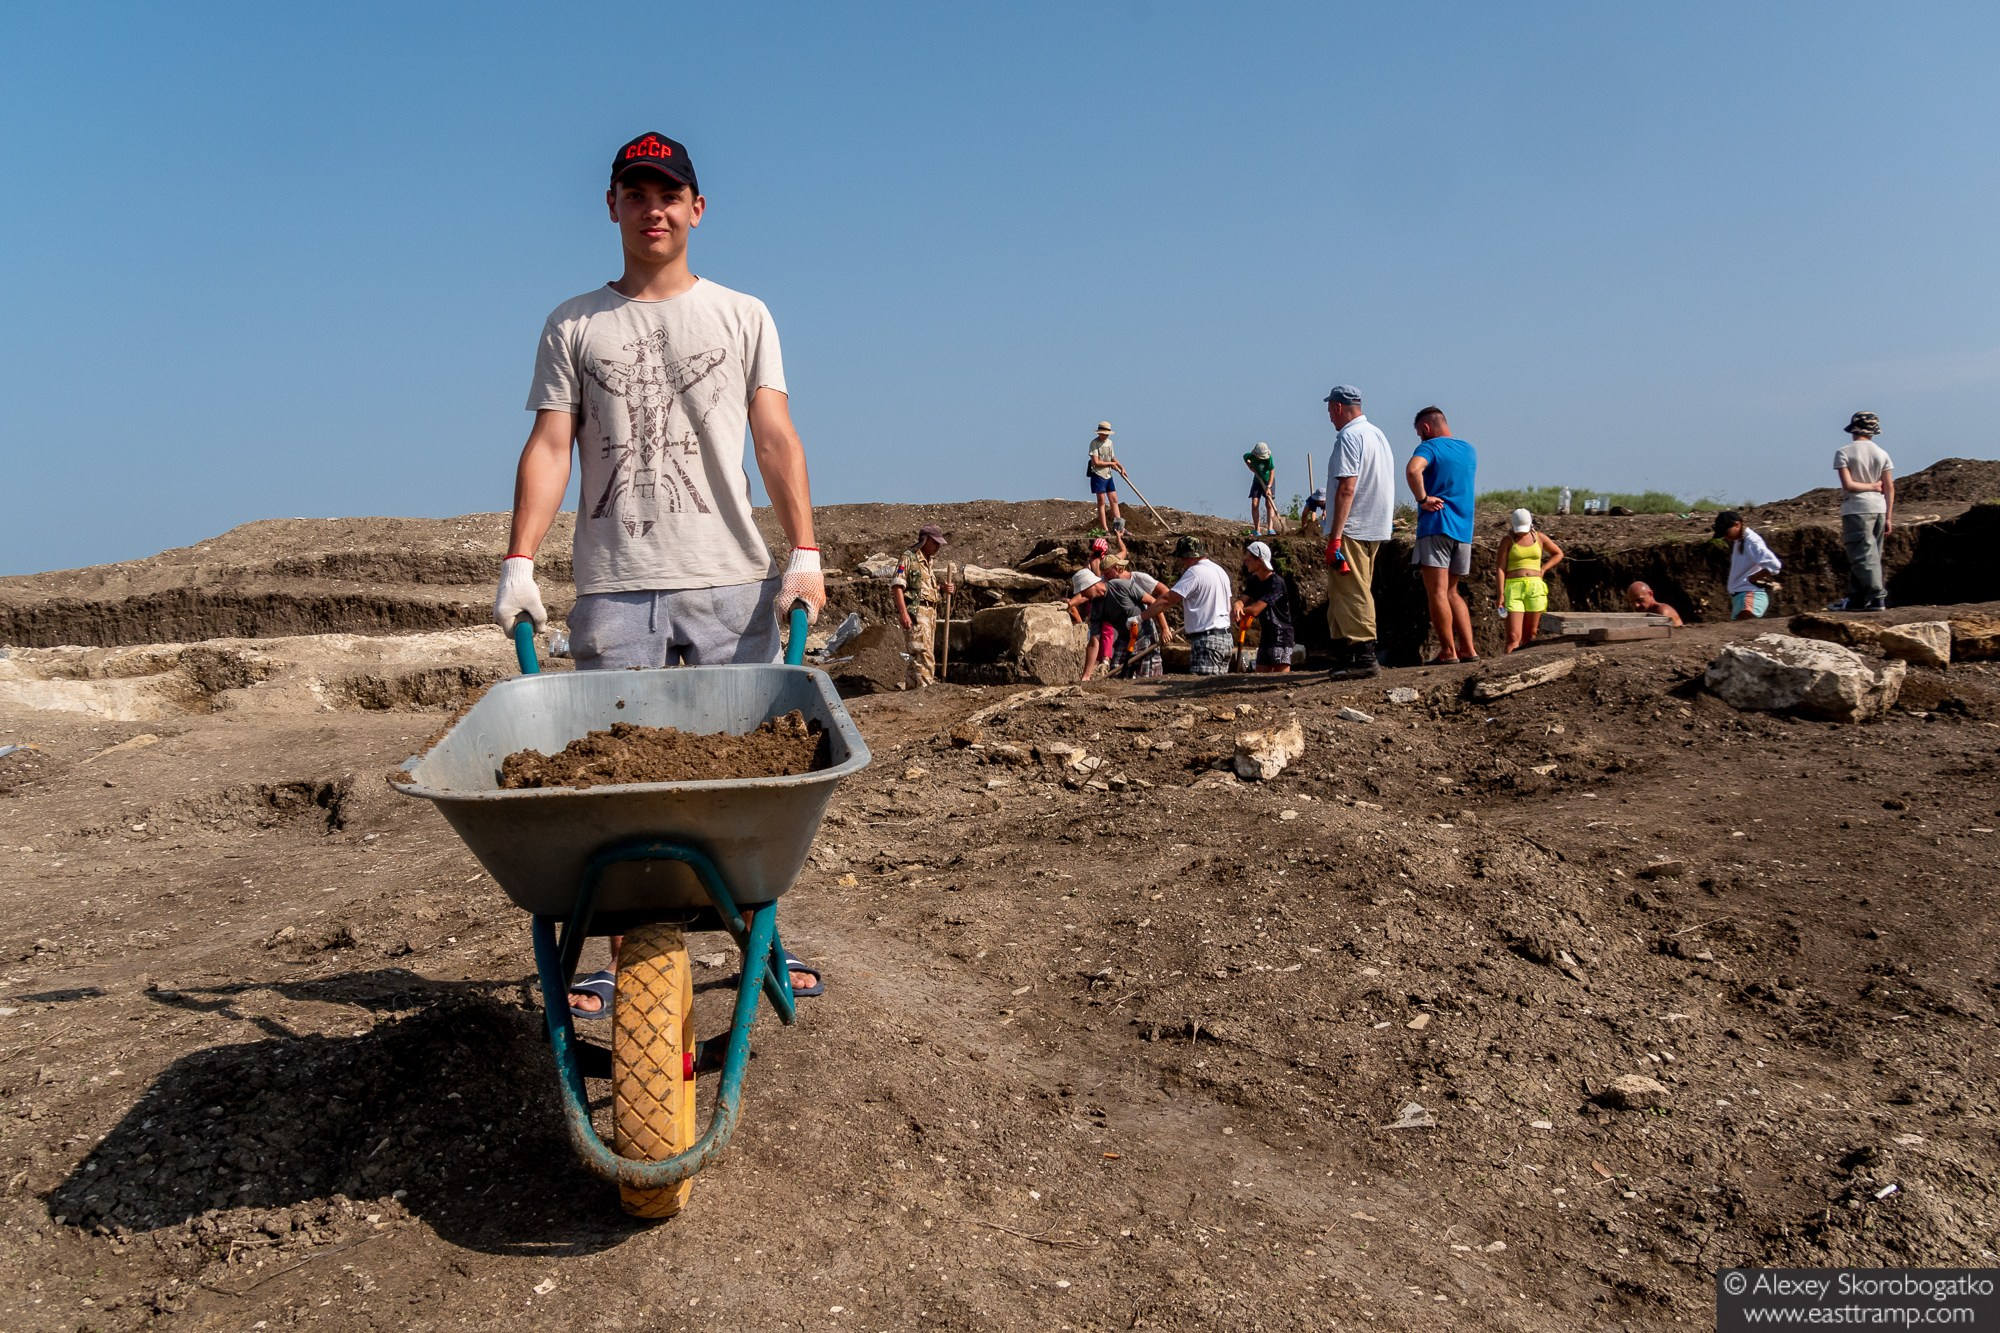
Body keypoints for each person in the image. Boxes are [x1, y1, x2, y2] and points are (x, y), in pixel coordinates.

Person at [497, 131, 827, 1016]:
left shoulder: (743, 314)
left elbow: (774, 436)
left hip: (729, 579)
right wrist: (519, 561)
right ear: (611, 206)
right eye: (636, 193)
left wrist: (804, 548)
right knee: (612, 785)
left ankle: (762, 936)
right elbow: (551, 444)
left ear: (696, 208)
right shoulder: (575, 323)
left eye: (669, 193)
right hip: (614, 586)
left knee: (746, 787)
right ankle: (610, 955)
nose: (654, 209)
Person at [1321, 384, 1395, 678]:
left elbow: (1347, 487)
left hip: (1353, 526)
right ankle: (1347, 654)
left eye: (1330, 411)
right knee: (1345, 592)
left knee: (1352, 591)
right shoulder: (1377, 435)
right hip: (1373, 525)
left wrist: (1336, 535)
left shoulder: (1349, 437)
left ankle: (1364, 657)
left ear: (1338, 407)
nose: (1329, 417)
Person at [1405, 406, 1479, 663]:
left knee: (1436, 592)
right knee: (1452, 592)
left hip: (1436, 525)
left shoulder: (1430, 447)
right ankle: (1468, 649)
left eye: (1419, 433)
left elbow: (1413, 470)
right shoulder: (1469, 449)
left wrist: (1423, 498)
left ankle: (1448, 651)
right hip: (1463, 529)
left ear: (1425, 428)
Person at [1830, 411, 1895, 611]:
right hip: (1879, 508)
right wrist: (1889, 517)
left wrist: (1870, 487)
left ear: (1853, 430)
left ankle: (1877, 597)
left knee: (1861, 555)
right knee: (1872, 554)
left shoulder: (1844, 452)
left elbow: (1849, 485)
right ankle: (1857, 598)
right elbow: (1889, 487)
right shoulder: (1882, 453)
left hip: (1856, 508)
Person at [1144, 536, 1234, 675]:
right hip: (1225, 638)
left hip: (1207, 641)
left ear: (1188, 556)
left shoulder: (1194, 572)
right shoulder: (1220, 571)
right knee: (1216, 687)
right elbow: (1228, 606)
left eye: (1181, 557)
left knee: (1202, 688)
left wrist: (1141, 617)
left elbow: (1168, 599)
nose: (1181, 561)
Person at [1494, 509, 1564, 653]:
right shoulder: (1507, 540)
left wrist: (1543, 569)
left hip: (1535, 588)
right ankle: (1505, 667)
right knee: (1513, 636)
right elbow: (1500, 568)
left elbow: (1558, 554)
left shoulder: (1539, 537)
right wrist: (1500, 593)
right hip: (1514, 588)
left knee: (1530, 634)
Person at [893, 524, 954, 688]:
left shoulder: (929, 562)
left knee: (918, 656)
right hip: (916, 612)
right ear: (925, 540)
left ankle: (913, 693)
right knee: (923, 654)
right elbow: (897, 586)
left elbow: (924, 588)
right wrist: (903, 613)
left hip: (930, 613)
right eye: (935, 543)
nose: (938, 547)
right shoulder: (909, 558)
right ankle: (926, 693)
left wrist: (942, 589)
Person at [1234, 541, 1294, 673]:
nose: (1245, 563)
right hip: (1266, 635)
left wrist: (1240, 610)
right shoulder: (1254, 580)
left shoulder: (1276, 583)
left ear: (1259, 561)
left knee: (1280, 681)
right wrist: (1237, 605)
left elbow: (1256, 610)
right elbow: (1243, 599)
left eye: (1249, 560)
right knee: (1259, 677)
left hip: (1281, 636)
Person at [1100, 557, 1164, 677]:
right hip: (1125, 632)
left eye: (1107, 573)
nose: (1105, 578)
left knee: (1146, 672)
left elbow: (1162, 597)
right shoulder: (1109, 585)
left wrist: (1165, 628)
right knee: (1117, 669)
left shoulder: (1138, 578)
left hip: (1143, 629)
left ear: (1116, 568)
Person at [1713, 511, 1782, 619]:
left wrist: (1753, 578)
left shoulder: (1752, 541)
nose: (1725, 537)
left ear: (1737, 524)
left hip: (1750, 595)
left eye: (1726, 532)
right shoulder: (1740, 540)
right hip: (1742, 596)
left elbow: (1774, 565)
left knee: (1744, 626)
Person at [1063, 568, 1111, 681]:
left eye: (1084, 591)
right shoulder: (1095, 608)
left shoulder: (1116, 588)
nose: (1083, 595)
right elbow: (1094, 641)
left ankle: (1105, 660)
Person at [1086, 422, 1129, 532]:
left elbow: (1112, 458)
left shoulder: (1110, 443)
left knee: (1114, 499)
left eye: (1106, 434)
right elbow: (1096, 462)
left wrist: (1121, 467)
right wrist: (1111, 464)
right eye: (1102, 434)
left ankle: (1119, 528)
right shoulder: (1094, 443)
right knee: (1101, 502)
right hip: (1098, 474)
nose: (1104, 436)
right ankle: (1105, 529)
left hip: (1108, 475)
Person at [1244, 442, 1278, 535]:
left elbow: (1272, 472)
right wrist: (1250, 467)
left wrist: (1268, 487)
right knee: (1255, 504)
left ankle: (1270, 529)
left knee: (1269, 504)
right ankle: (1257, 529)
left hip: (1268, 481)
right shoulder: (1250, 456)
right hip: (1257, 481)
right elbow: (1245, 458)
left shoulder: (1269, 459)